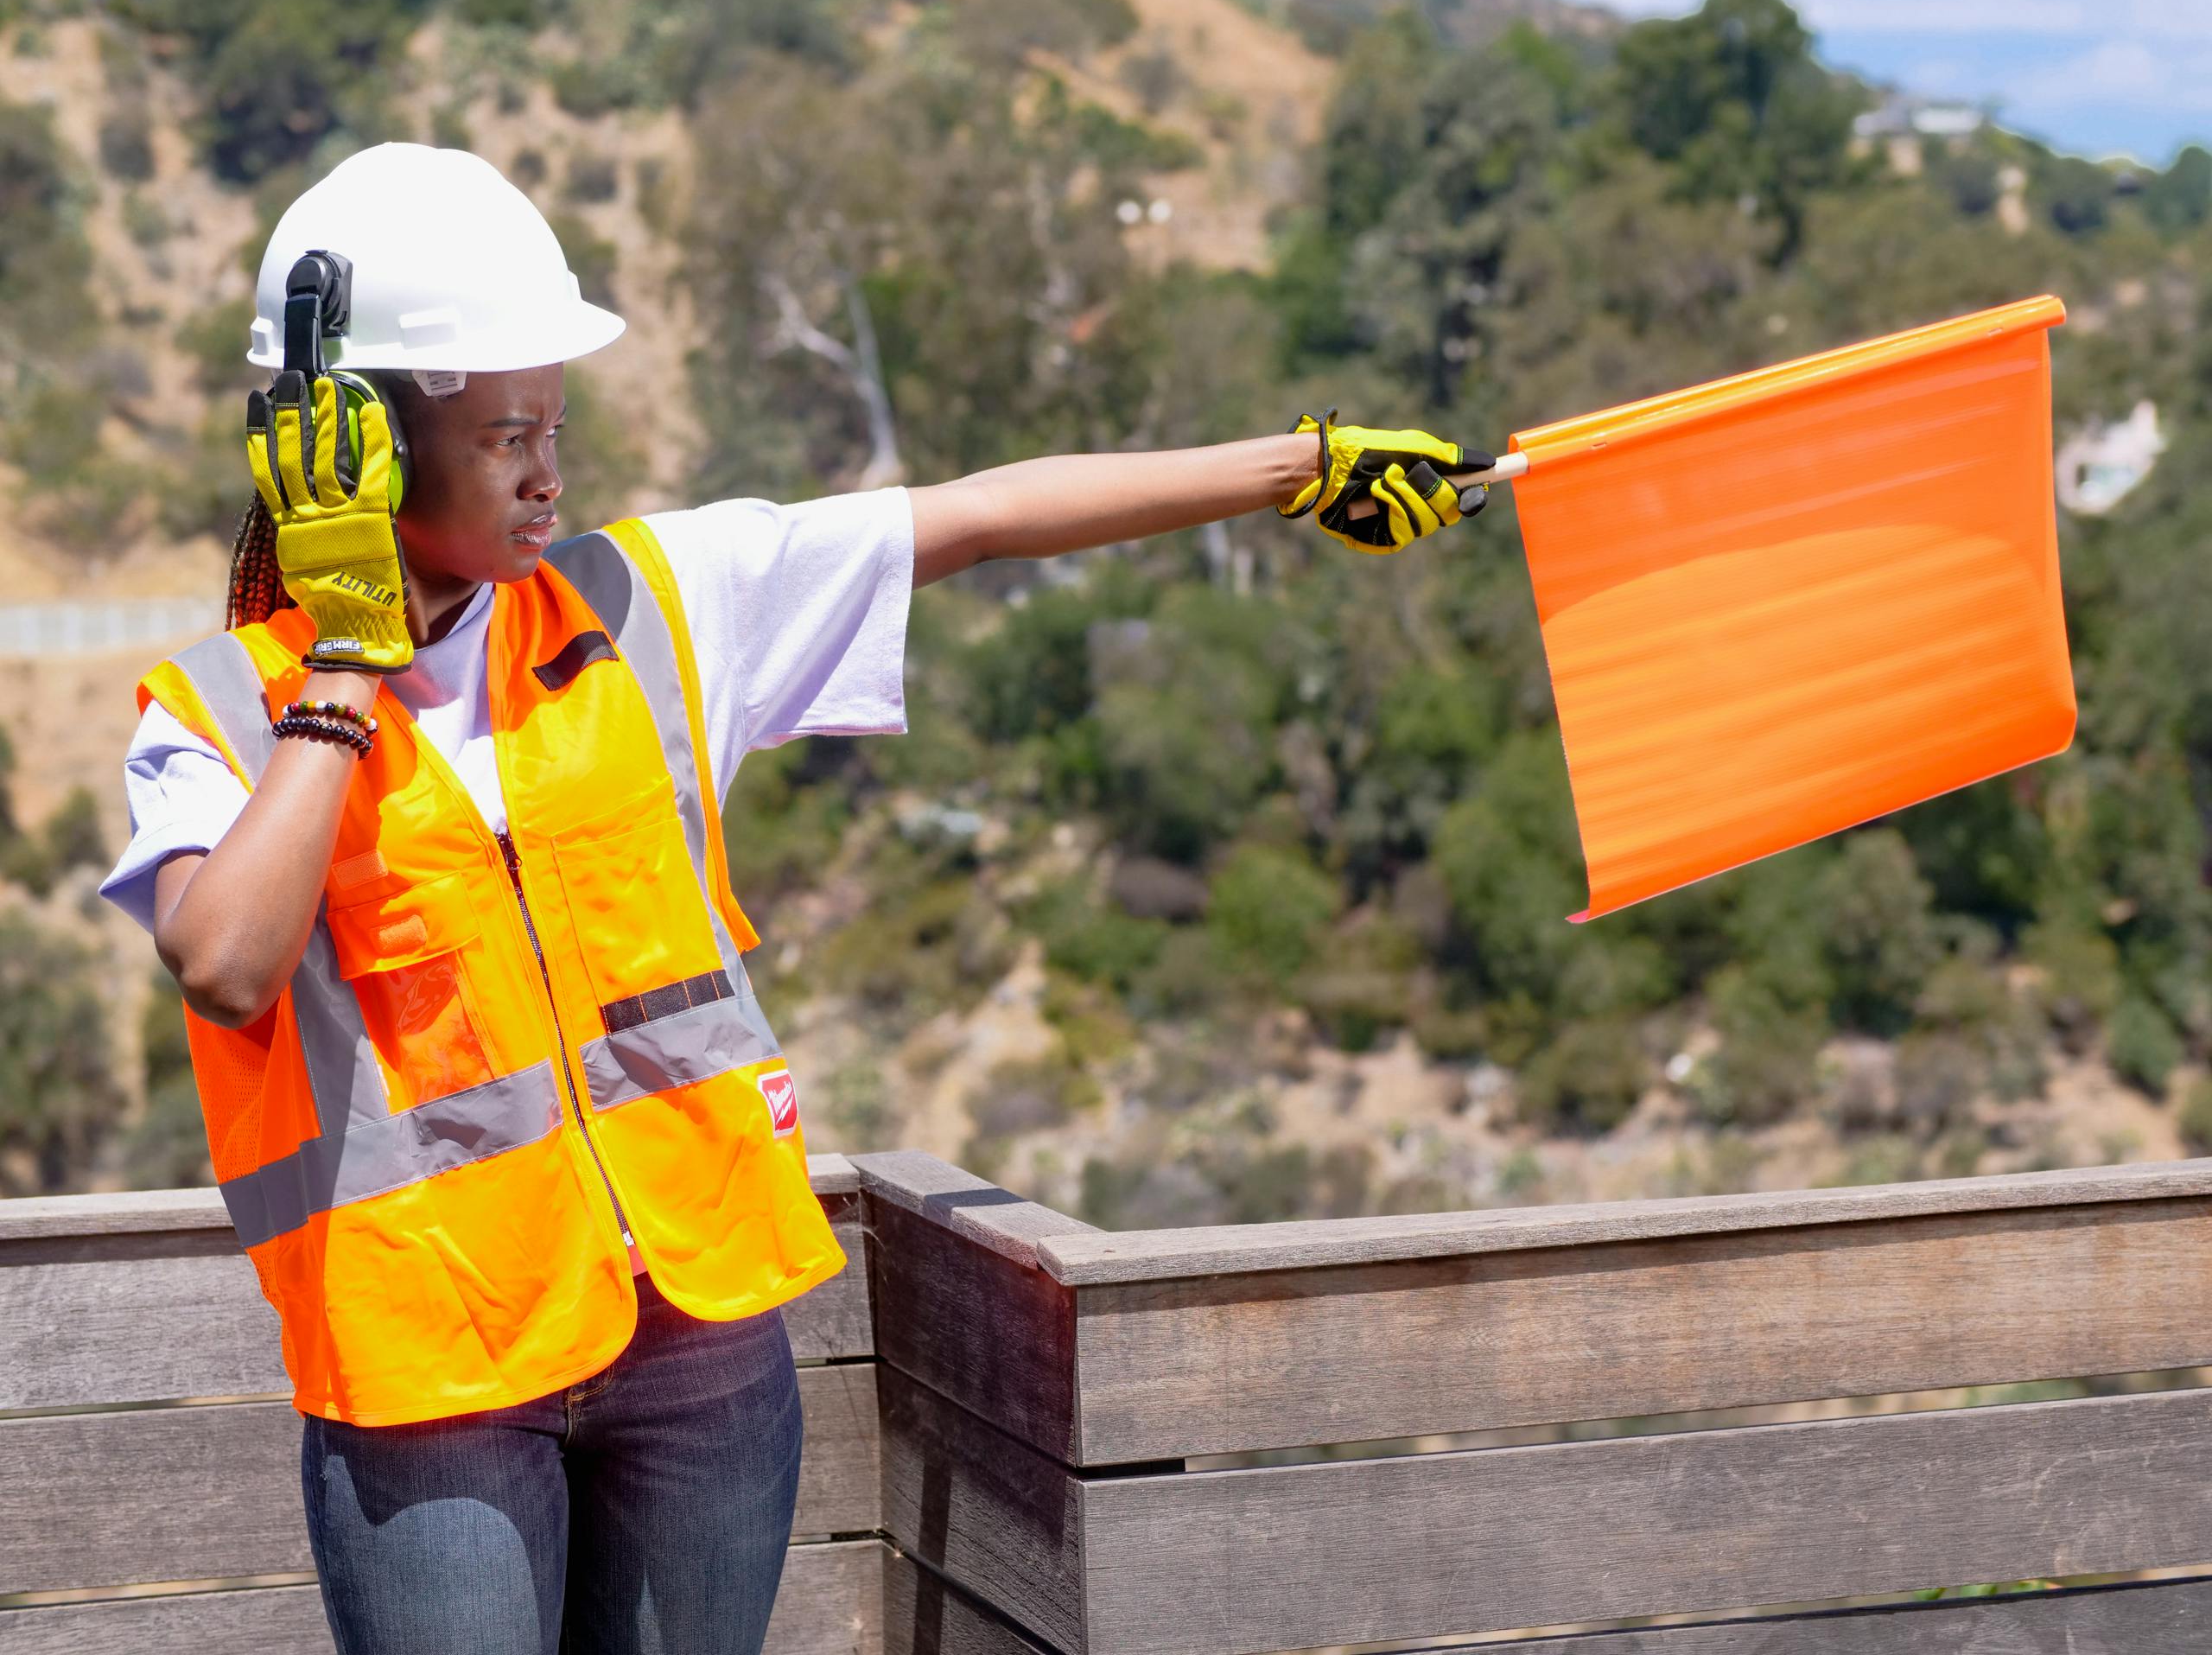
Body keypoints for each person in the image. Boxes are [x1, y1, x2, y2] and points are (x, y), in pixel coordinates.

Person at [98, 142, 1489, 1655]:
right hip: (432, 1379)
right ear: (348, 444)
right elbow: (226, 964)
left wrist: (1300, 468)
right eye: (507, 435)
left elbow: (975, 514)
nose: (551, 471)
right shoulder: (228, 715)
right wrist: (350, 669)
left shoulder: (651, 607)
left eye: (557, 425)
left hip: (697, 1349)